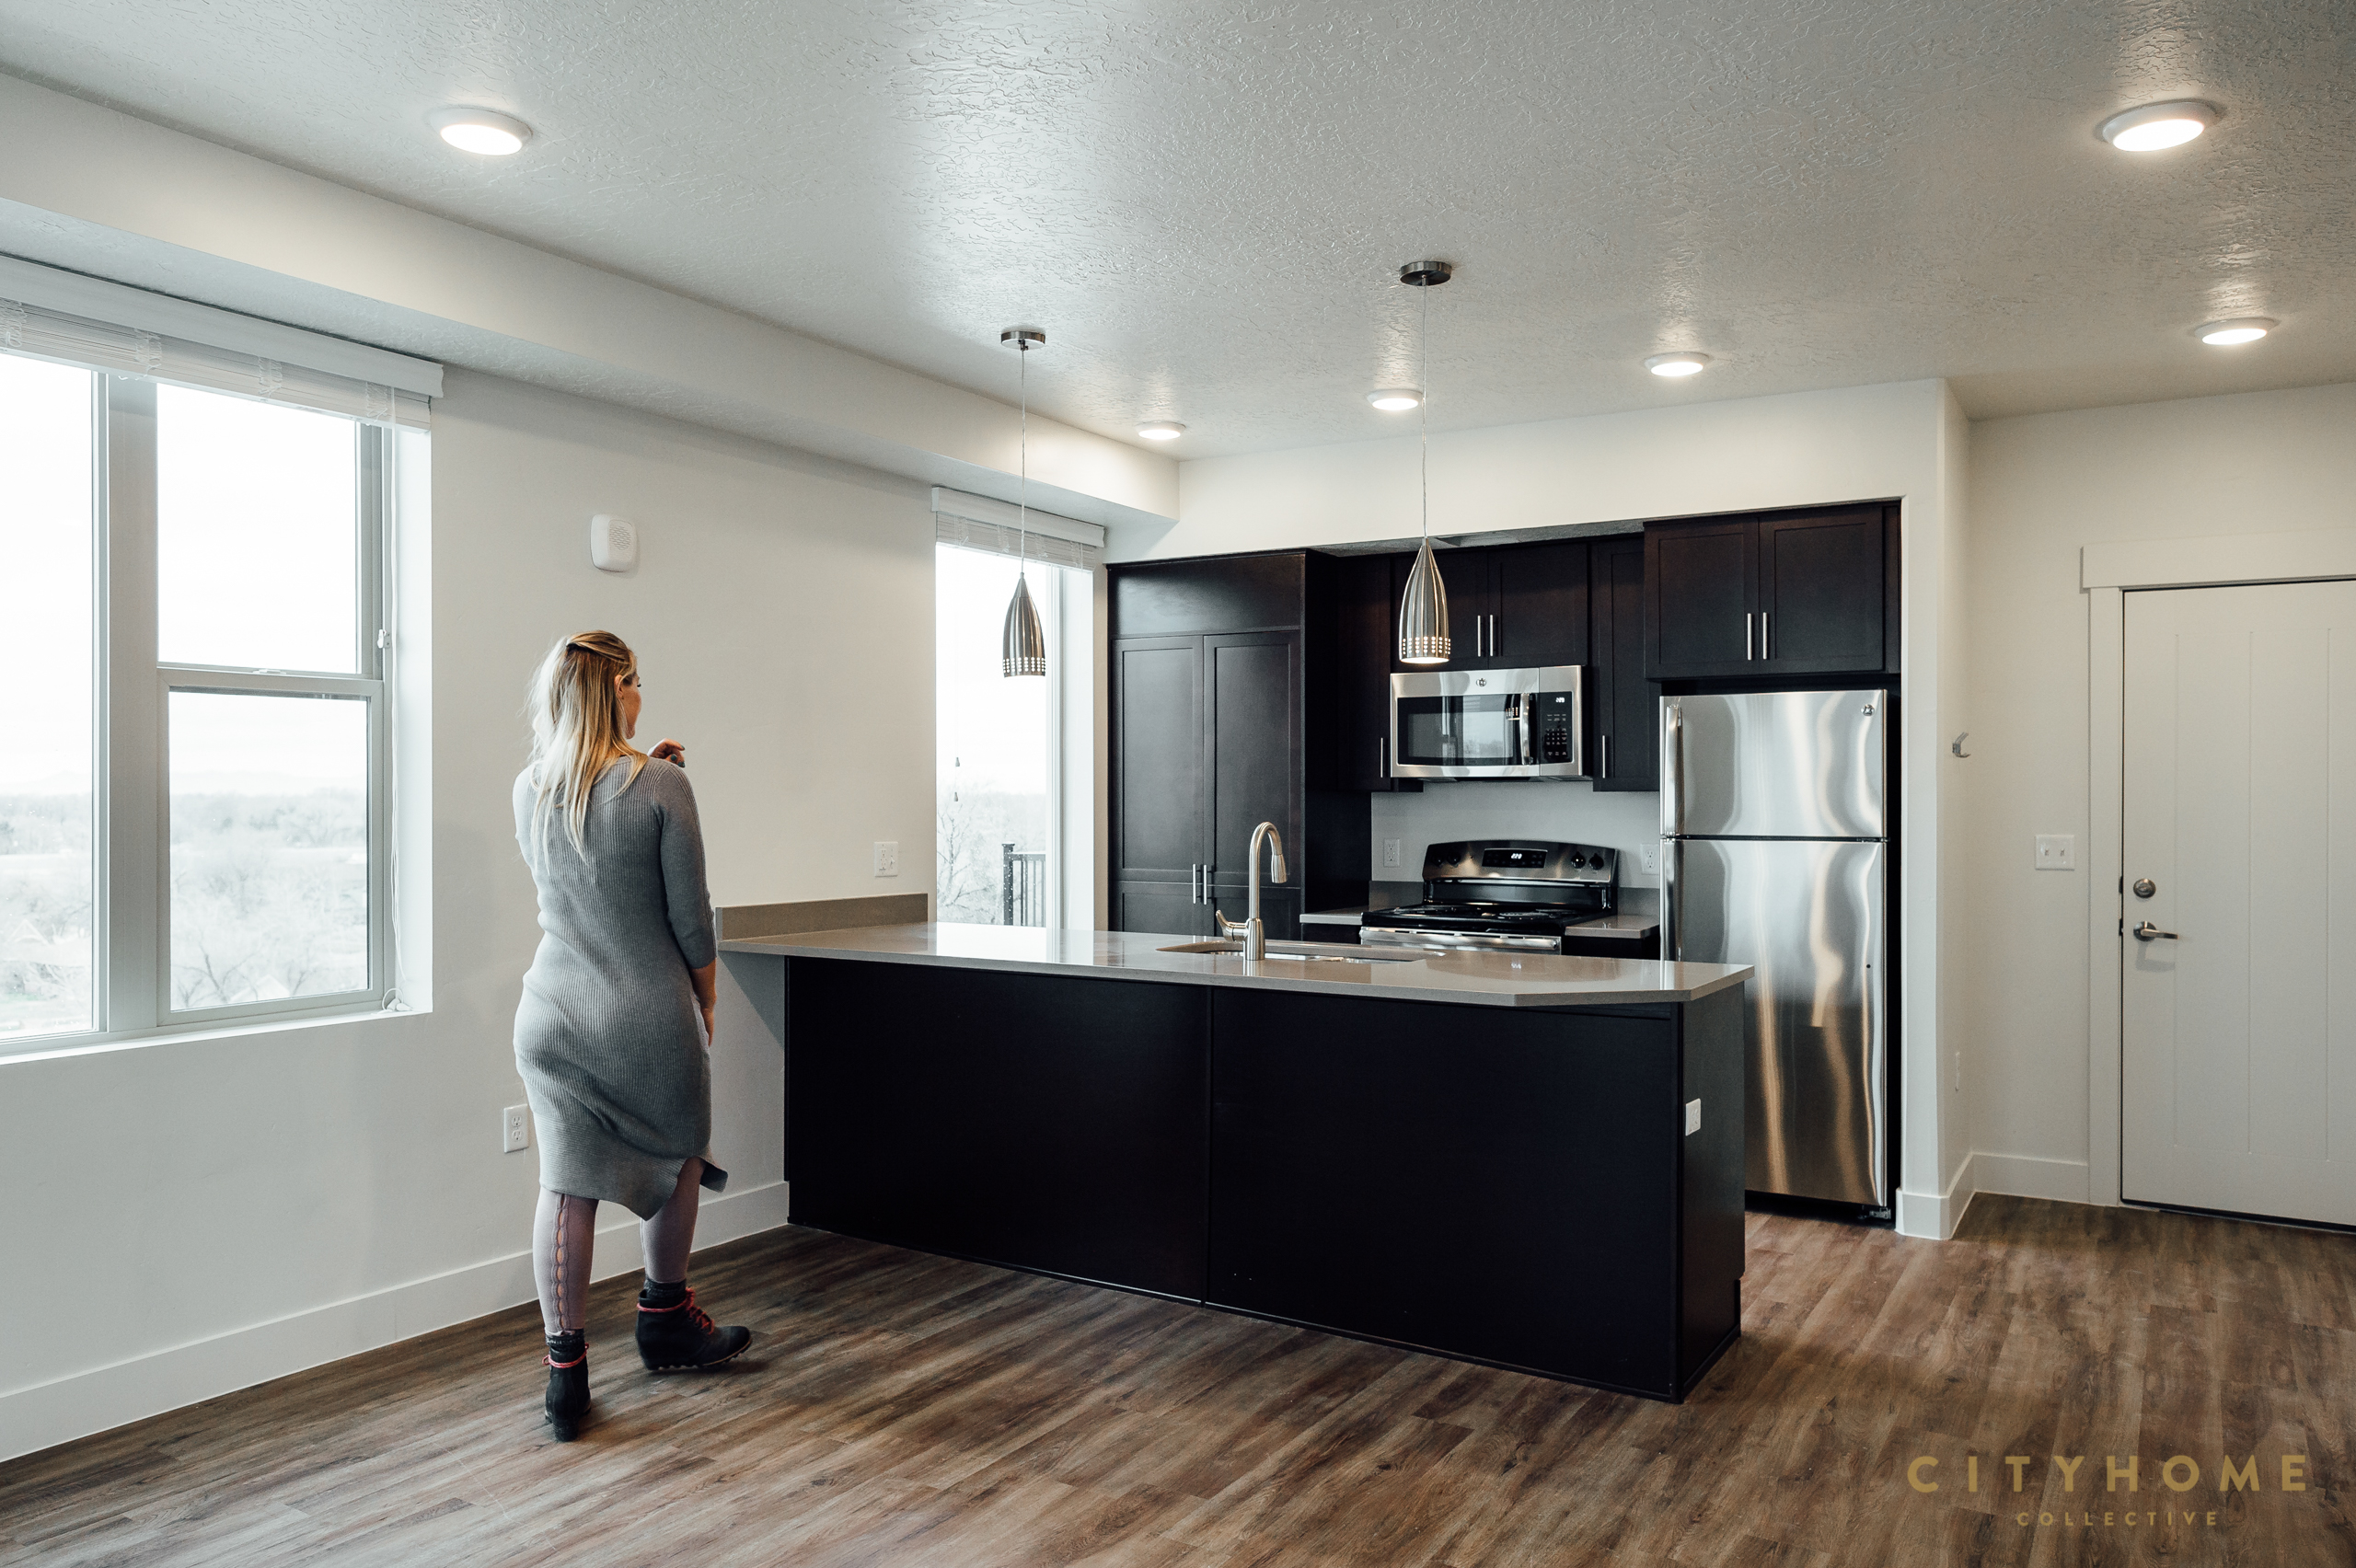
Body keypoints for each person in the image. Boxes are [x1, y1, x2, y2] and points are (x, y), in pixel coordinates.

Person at [513, 630, 751, 1442]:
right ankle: (665, 1318)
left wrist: (646, 769)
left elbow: (586, 873)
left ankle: (565, 1375)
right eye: (636, 681)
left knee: (565, 1184)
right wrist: (707, 999)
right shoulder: (663, 787)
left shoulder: (529, 789)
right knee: (681, 1149)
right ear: (615, 691)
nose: (642, 694)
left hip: (551, 1014)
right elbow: (690, 918)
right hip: (642, 1010)